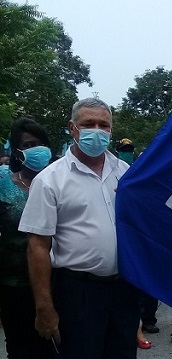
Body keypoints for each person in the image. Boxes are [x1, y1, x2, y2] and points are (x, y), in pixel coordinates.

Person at [20, 98, 140, 359]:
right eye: (88, 124)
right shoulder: (50, 180)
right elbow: (38, 246)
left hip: (124, 290)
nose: (96, 130)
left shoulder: (126, 173)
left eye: (103, 125)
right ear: (72, 128)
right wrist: (44, 307)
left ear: (111, 130)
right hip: (79, 294)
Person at [0, 118, 54, 358]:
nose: (37, 150)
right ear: (17, 152)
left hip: (59, 283)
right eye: (29, 144)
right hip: (15, 286)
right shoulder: (3, 184)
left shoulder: (60, 180)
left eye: (41, 144)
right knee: (22, 349)